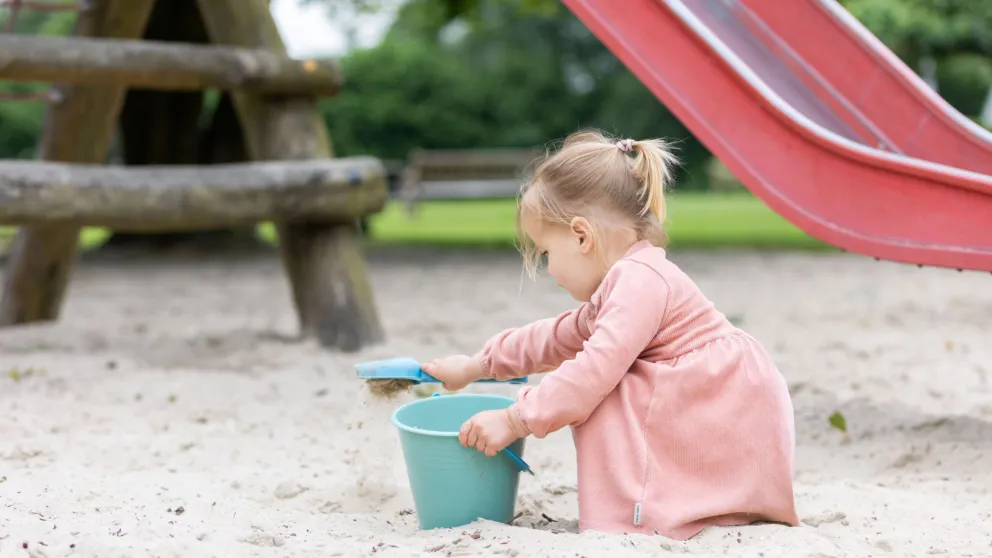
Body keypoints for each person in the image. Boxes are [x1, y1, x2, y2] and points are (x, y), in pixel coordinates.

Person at [422, 130, 799, 540]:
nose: (549, 270)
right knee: (597, 375)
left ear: (582, 236)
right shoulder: (623, 284)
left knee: (604, 387)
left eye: (547, 252)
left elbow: (592, 372)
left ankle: (640, 516)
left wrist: (515, 419)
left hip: (720, 399)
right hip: (714, 397)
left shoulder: (640, 281)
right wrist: (477, 365)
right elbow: (555, 337)